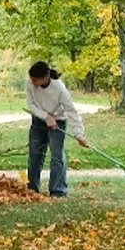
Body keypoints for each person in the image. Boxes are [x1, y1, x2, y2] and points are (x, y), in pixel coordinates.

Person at [25, 61, 88, 197]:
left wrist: (79, 134)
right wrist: (46, 117)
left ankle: (58, 190)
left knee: (57, 156)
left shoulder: (59, 89)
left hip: (58, 121)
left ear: (45, 78)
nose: (32, 82)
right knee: (35, 154)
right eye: (31, 78)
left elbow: (71, 112)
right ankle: (32, 189)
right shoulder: (29, 83)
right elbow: (30, 104)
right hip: (38, 121)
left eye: (35, 79)